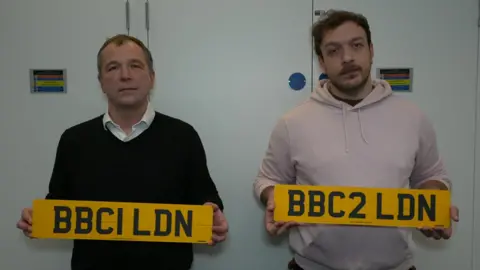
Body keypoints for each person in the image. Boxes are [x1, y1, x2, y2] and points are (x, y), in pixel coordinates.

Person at [253, 10, 459, 270]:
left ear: (371, 50)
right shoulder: (292, 123)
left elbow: (433, 174)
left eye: (356, 45)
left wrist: (432, 205)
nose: (347, 57)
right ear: (321, 61)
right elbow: (267, 179)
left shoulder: (413, 118)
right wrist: (273, 196)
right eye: (333, 50)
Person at [16, 34, 228, 270]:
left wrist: (211, 212)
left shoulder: (183, 136)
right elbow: (58, 203)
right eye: (113, 67)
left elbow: (205, 196)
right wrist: (38, 219)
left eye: (135, 66)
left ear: (152, 77)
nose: (125, 75)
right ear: (101, 81)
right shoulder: (73, 140)